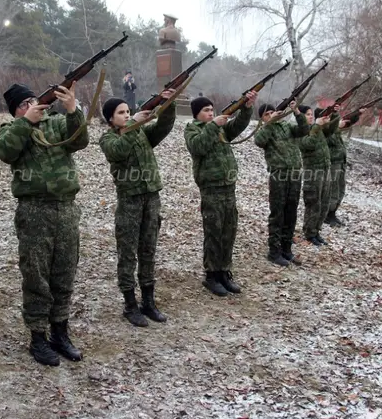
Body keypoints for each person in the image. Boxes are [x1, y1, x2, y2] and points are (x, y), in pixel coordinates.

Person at [0, 82, 89, 366]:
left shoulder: (59, 123)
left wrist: (72, 109)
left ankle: (60, 332)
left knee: (64, 272)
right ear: (15, 111)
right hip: (34, 210)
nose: (32, 106)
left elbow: (79, 141)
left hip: (66, 208)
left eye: (33, 101)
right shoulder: (11, 130)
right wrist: (26, 123)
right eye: (23, 104)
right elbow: (4, 152)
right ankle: (38, 336)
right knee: (36, 275)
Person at [99, 90, 175, 326]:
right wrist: (133, 124)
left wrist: (167, 104)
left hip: (151, 198)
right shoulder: (108, 139)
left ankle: (148, 302)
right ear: (111, 119)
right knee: (128, 254)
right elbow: (118, 151)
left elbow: (163, 128)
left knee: (148, 250)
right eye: (121, 113)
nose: (126, 115)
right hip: (129, 201)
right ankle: (130, 304)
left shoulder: (141, 133)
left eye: (128, 112)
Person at [185, 92, 257, 296]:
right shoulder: (193, 130)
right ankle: (211, 275)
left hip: (228, 187)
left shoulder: (221, 129)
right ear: (197, 114)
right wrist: (213, 125)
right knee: (214, 232)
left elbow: (238, 126)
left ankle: (224, 272)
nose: (210, 113)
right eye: (205, 111)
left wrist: (246, 108)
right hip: (211, 188)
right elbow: (198, 147)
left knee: (229, 230)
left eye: (211, 110)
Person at [254, 101, 309, 266]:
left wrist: (297, 112)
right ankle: (274, 251)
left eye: (273, 112)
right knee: (278, 213)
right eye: (266, 114)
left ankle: (287, 249)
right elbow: (259, 141)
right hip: (279, 175)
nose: (271, 115)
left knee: (291, 213)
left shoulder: (287, 126)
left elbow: (304, 130)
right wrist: (270, 123)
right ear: (263, 119)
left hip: (294, 175)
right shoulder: (265, 130)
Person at [297, 105, 339, 246]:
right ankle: (309, 233)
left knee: (324, 203)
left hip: (325, 170)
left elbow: (332, 130)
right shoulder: (300, 131)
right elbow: (307, 144)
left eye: (311, 114)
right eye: (307, 114)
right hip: (313, 172)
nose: (310, 116)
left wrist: (333, 115)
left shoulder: (317, 129)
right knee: (314, 203)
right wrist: (316, 127)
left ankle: (316, 231)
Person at [324, 108, 365, 227]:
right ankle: (327, 214)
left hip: (340, 163)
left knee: (340, 189)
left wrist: (358, 114)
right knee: (332, 189)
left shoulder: (334, 130)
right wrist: (337, 126)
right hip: (333, 163)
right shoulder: (327, 132)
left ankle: (333, 212)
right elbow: (331, 135)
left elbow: (347, 122)